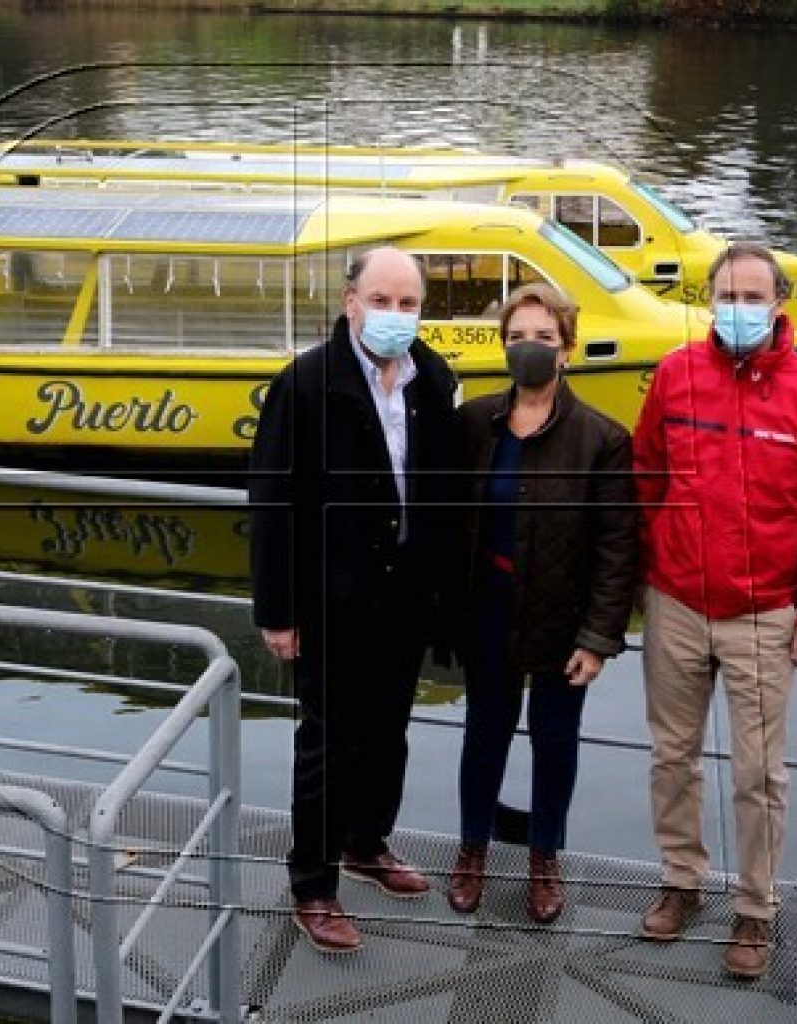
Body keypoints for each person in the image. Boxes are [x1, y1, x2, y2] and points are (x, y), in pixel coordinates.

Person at [634, 241, 797, 979]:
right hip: (676, 602)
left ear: (780, 305)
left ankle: (756, 910)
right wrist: (649, 562)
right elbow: (646, 474)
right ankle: (682, 882)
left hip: (763, 613)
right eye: (726, 294)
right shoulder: (675, 374)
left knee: (760, 773)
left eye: (753, 296)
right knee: (672, 755)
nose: (738, 308)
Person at [249, 246, 456, 954]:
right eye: (383, 300)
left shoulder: (432, 379)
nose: (396, 315)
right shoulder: (307, 384)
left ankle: (368, 844)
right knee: (328, 744)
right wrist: (277, 611)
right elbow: (272, 503)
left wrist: (440, 590)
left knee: (388, 730)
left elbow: (437, 489)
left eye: (409, 304)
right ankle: (313, 883)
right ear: (351, 303)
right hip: (330, 600)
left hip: (403, 596)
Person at [447, 282, 637, 922]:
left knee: (555, 741)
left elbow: (618, 548)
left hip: (563, 620)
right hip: (487, 612)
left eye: (544, 339)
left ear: (568, 350)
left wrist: (599, 637)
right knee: (484, 735)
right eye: (517, 337)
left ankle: (544, 857)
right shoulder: (474, 422)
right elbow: (448, 523)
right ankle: (472, 849)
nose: (529, 349)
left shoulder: (602, 439)